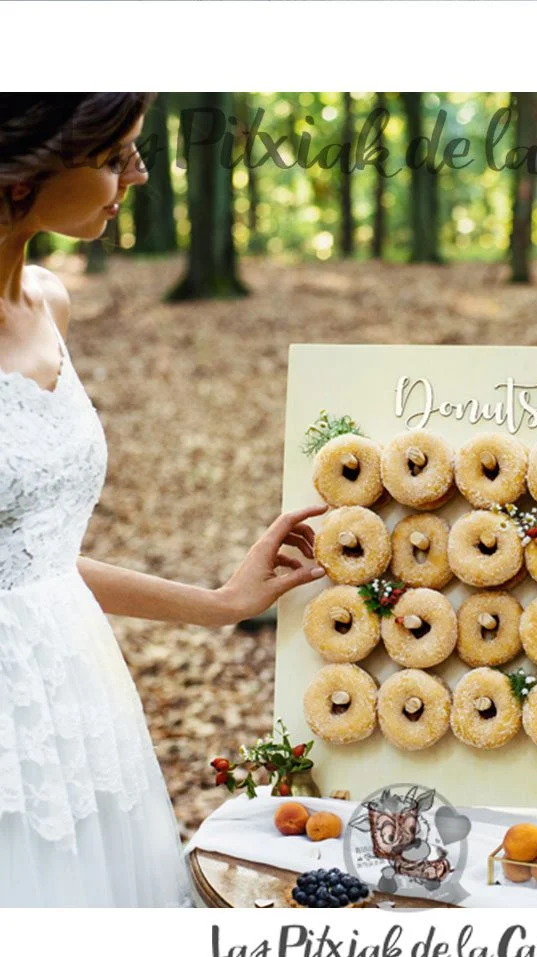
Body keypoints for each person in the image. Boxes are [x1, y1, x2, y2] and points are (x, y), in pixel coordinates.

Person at [0, 94, 327, 906]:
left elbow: (32, 563)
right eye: (114, 158)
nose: (137, 176)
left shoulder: (50, 304)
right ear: (23, 174)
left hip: (79, 697)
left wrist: (218, 603)